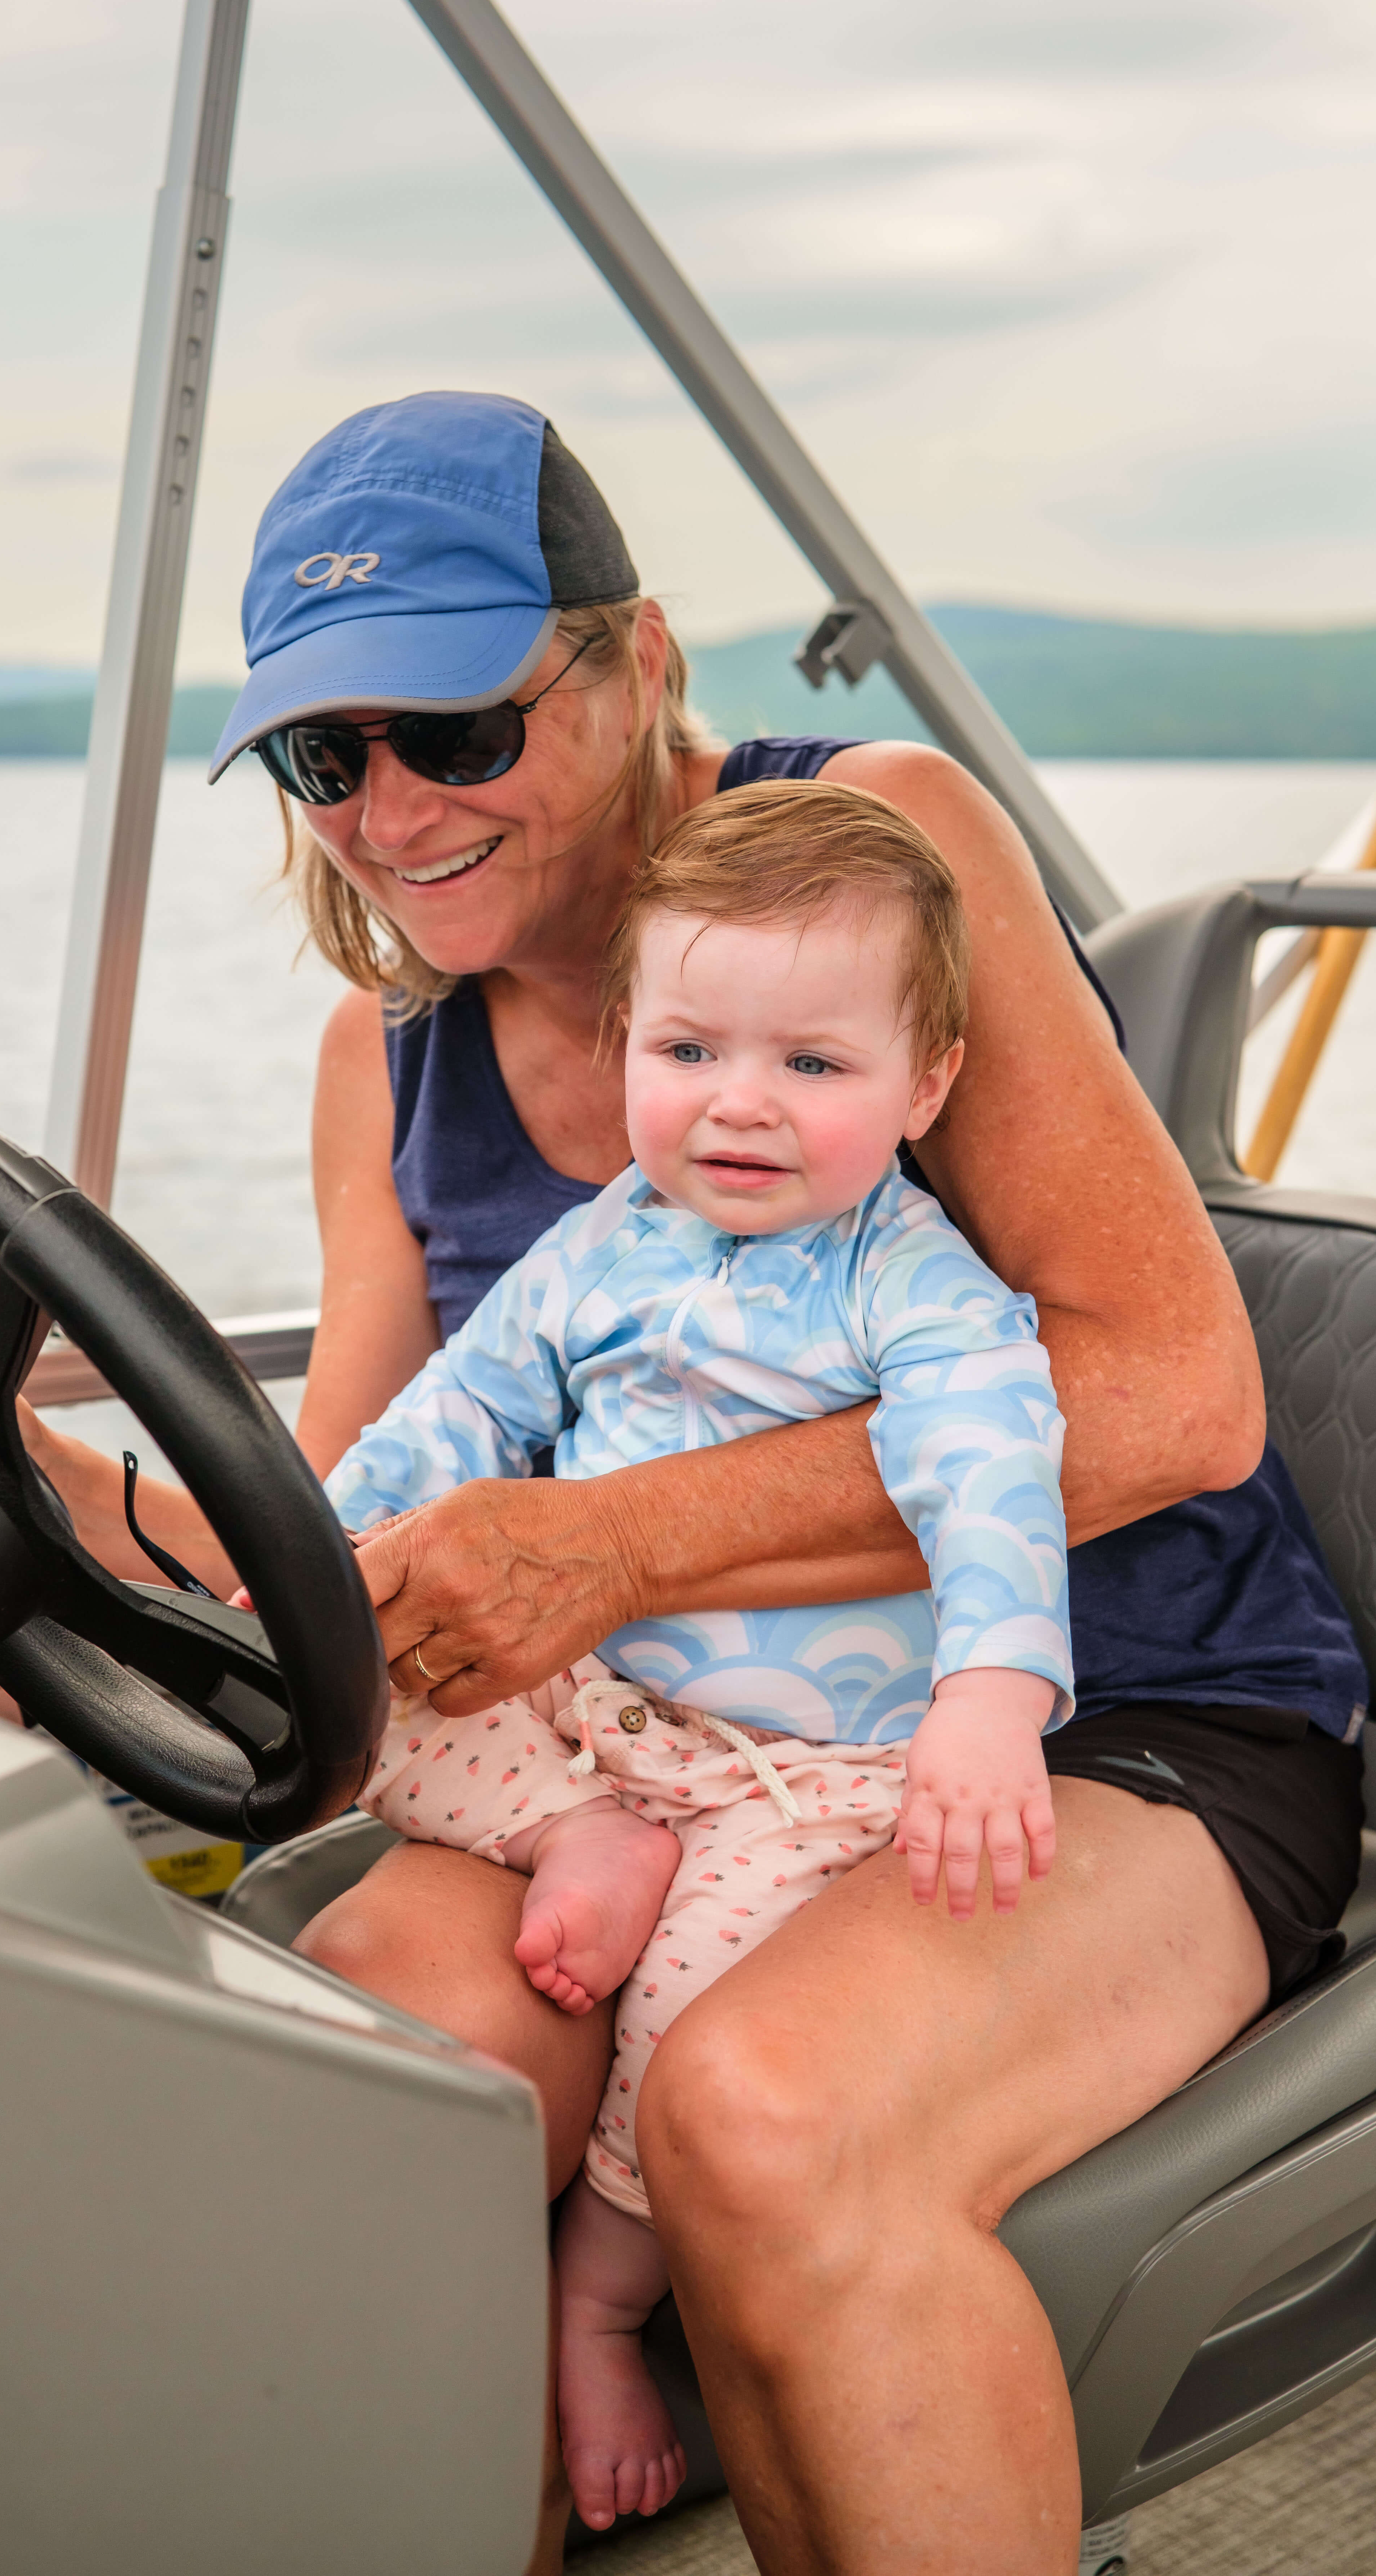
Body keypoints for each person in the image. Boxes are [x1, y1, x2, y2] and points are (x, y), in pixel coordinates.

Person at [0, 390, 1367, 2573]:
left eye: (457, 731)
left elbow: (1175, 1399)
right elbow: (351, 1552)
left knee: (770, 2117)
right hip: (653, 1753)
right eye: (327, 758)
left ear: (639, 659)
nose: (391, 809)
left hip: (1089, 1710)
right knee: (378, 2069)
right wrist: (1, 1467)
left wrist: (607, 1543)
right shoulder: (381, 1063)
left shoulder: (881, 847)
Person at [328, 777, 1072, 2532]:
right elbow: (462, 1412)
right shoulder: (602, 1246)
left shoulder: (918, 1287)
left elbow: (994, 1479)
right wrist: (340, 1567)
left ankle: (596, 2303)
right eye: (690, 1051)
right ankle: (568, 1837)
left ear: (926, 1089)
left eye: (813, 1067)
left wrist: (990, 1696)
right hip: (593, 1716)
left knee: (690, 2020)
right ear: (631, 1048)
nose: (740, 1104)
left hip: (794, 1776)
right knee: (351, 1710)